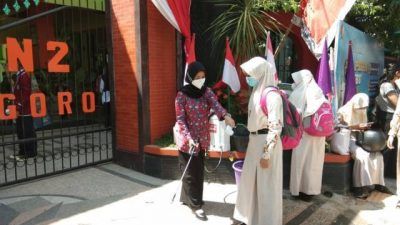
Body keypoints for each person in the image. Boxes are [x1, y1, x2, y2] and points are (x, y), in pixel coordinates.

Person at [175, 61, 235, 221]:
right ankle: (195, 206)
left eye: (203, 77)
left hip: (201, 140)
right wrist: (189, 138)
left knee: (197, 171)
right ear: (190, 77)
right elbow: (181, 120)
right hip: (187, 141)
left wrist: (226, 116)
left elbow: (216, 105)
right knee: (190, 174)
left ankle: (188, 199)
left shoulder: (206, 92)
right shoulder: (182, 95)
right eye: (197, 77)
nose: (201, 80)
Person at [233, 57, 283, 225]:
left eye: (251, 74)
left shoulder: (272, 96)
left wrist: (266, 154)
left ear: (261, 73)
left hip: (266, 144)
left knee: (266, 187)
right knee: (252, 183)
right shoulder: (258, 92)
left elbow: (275, 127)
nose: (248, 78)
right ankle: (252, 219)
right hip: (255, 142)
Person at [337, 93, 389, 198]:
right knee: (362, 156)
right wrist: (355, 127)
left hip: (362, 139)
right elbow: (337, 127)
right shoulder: (343, 111)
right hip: (348, 140)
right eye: (360, 108)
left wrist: (366, 126)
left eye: (364, 108)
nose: (362, 110)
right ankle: (359, 187)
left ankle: (377, 184)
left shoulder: (363, 111)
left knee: (378, 156)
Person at [289, 69, 327, 201]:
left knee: (301, 161)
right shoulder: (318, 91)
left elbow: (294, 111)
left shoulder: (301, 92)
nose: (295, 82)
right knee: (314, 162)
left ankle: (298, 190)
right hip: (319, 132)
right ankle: (310, 191)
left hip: (304, 133)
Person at [375, 64, 400, 177]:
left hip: (393, 118)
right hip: (388, 119)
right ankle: (381, 176)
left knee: (393, 148)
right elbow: (397, 104)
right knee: (387, 147)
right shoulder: (387, 86)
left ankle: (390, 173)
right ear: (397, 73)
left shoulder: (395, 86)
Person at [9, 68, 37, 160]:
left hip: (26, 110)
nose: (6, 67)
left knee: (27, 132)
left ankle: (30, 153)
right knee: (20, 132)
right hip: (20, 110)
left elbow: (26, 94)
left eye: (7, 64)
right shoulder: (17, 76)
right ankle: (22, 152)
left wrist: (18, 106)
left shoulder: (23, 75)